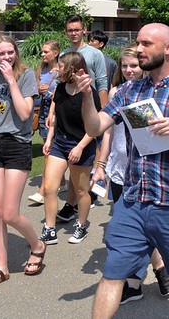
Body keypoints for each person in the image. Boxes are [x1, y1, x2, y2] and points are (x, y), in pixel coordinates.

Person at [78, 23, 169, 319]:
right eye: (138, 43)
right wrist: (86, 96)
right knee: (112, 272)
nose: (139, 49)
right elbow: (95, 127)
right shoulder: (129, 91)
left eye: (146, 44)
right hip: (132, 201)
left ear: (168, 48)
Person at [93, 45, 169, 304]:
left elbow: (151, 140)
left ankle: (157, 266)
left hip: (142, 171)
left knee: (146, 228)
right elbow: (106, 133)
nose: (129, 70)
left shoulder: (149, 96)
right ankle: (136, 283)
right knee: (130, 232)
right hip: (119, 170)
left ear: (143, 67)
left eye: (134, 66)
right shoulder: (118, 93)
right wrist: (101, 165)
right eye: (125, 66)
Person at [0, 36, 46, 287]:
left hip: (18, 144)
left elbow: (25, 113)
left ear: (15, 53)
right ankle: (2, 268)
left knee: (9, 213)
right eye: (1, 53)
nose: (6, 57)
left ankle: (37, 245)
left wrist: (10, 80)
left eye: (10, 52)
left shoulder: (25, 75)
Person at [40, 52, 101, 246]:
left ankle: (81, 224)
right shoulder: (59, 88)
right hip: (60, 142)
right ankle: (49, 229)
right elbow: (56, 117)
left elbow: (95, 127)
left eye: (62, 66)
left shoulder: (88, 93)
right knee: (50, 188)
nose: (57, 69)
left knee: (82, 191)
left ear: (73, 70)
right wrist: (49, 139)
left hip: (81, 144)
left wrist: (80, 147)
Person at [58, 15, 109, 223]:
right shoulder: (64, 54)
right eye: (70, 30)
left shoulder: (95, 54)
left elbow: (102, 83)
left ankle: (93, 188)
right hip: (70, 111)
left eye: (77, 29)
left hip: (91, 109)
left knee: (91, 154)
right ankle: (74, 201)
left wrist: (104, 114)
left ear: (84, 30)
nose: (73, 33)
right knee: (73, 158)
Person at [27, 40, 60, 205]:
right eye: (42, 51)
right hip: (43, 110)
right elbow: (33, 91)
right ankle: (60, 182)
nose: (42, 54)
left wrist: (53, 92)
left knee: (48, 149)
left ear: (56, 53)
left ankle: (43, 189)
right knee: (48, 146)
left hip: (57, 113)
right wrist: (38, 90)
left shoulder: (62, 70)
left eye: (46, 51)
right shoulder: (41, 70)